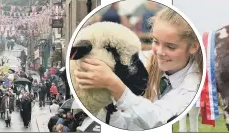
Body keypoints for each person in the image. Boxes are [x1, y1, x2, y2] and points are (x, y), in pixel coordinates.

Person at [74, 7, 203, 130]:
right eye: (156, 41)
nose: (159, 52)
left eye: (171, 47)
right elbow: (123, 123)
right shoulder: (138, 63)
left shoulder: (194, 84)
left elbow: (158, 119)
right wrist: (107, 101)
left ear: (193, 47)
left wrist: (115, 86)